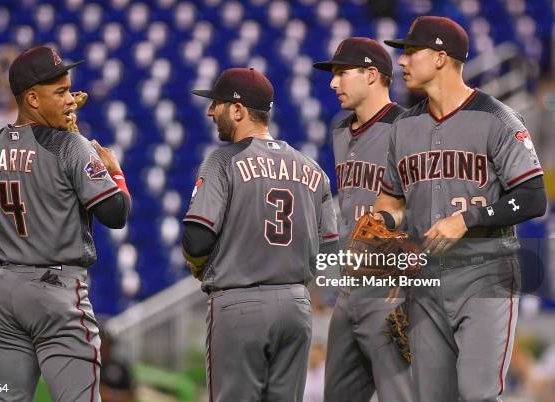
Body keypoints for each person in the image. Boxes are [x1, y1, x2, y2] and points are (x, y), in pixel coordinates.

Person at [374, 16, 547, 401]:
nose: (400, 61)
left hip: (486, 271)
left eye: (410, 52)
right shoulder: (403, 128)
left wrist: (468, 219)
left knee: (477, 394)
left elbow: (534, 197)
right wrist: (383, 233)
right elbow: (392, 201)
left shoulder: (497, 117)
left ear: (440, 57)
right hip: (425, 278)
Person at [0, 45, 131, 402]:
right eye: (59, 93)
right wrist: (115, 172)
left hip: (5, 291)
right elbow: (116, 213)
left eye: (69, 89)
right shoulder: (69, 146)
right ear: (31, 98)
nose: (71, 100)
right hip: (56, 290)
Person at [182, 67, 339, 402]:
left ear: (238, 110)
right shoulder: (312, 168)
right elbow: (330, 249)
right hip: (297, 307)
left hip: (241, 304)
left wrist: (199, 265)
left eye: (218, 104)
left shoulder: (222, 161)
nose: (211, 112)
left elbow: (196, 240)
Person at [313, 37, 414, 402]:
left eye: (341, 73)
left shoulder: (411, 129)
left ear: (372, 75)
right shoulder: (340, 130)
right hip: (349, 288)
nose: (333, 83)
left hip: (392, 288)